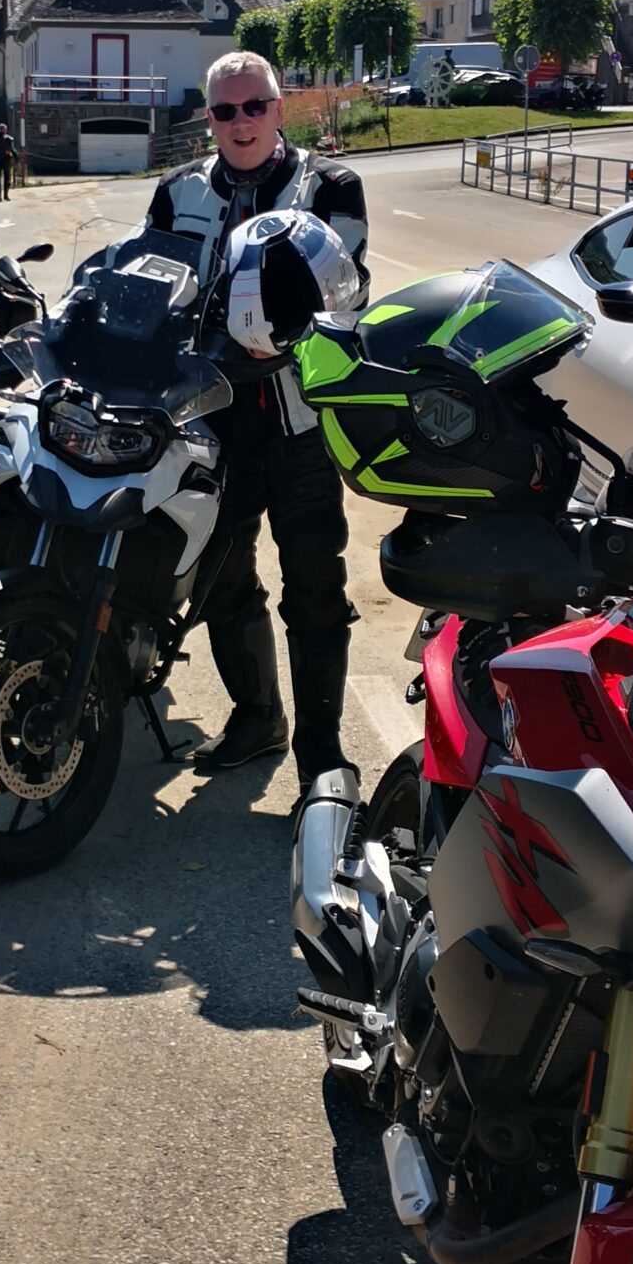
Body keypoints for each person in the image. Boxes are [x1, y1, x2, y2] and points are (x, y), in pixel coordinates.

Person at [146, 49, 369, 793]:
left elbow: (348, 289)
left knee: (315, 583)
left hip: (300, 422)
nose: (240, 122)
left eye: (254, 106)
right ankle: (257, 716)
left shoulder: (330, 186)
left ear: (279, 107)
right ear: (207, 118)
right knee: (220, 576)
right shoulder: (177, 193)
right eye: (224, 110)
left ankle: (321, 752)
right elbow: (149, 286)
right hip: (208, 424)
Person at [0, 124, 15, 201]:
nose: (2, 130)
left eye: (3, 129)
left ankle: (5, 195)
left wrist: (16, 158)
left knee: (7, 179)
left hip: (5, 160)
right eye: (1, 129)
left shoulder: (9, 139)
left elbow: (12, 149)